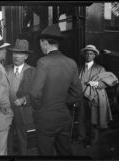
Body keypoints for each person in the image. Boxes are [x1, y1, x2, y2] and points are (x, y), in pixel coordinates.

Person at [29, 24, 82, 156]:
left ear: (45, 42)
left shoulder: (43, 62)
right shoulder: (71, 63)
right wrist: (62, 103)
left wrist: (40, 109)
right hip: (64, 117)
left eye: (41, 43)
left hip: (45, 119)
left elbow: (34, 94)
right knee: (65, 152)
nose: (40, 46)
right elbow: (77, 93)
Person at [78, 45, 118, 148]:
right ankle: (81, 138)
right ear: (84, 55)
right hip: (82, 98)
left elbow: (106, 83)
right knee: (82, 119)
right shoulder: (80, 68)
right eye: (86, 53)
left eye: (91, 53)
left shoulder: (100, 69)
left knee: (93, 120)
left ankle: (93, 141)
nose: (88, 55)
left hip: (95, 98)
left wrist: (94, 83)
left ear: (94, 55)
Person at [6, 38, 35, 155]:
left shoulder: (32, 71)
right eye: (14, 53)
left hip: (22, 110)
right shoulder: (5, 69)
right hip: (6, 109)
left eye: (20, 53)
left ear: (26, 56)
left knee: (21, 136)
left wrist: (24, 100)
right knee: (7, 136)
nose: (16, 56)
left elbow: (36, 93)